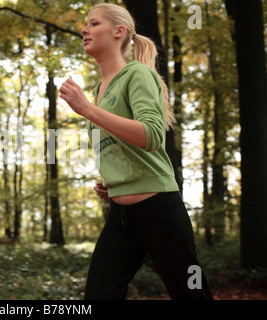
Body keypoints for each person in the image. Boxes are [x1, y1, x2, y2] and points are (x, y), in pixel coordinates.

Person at [59, 3, 213, 300]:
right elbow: (120, 145)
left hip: (159, 208)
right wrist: (115, 178)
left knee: (192, 294)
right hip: (121, 216)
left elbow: (152, 136)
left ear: (119, 32)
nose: (84, 29)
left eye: (93, 24)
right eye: (85, 24)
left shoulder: (137, 74)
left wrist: (87, 111)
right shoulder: (98, 91)